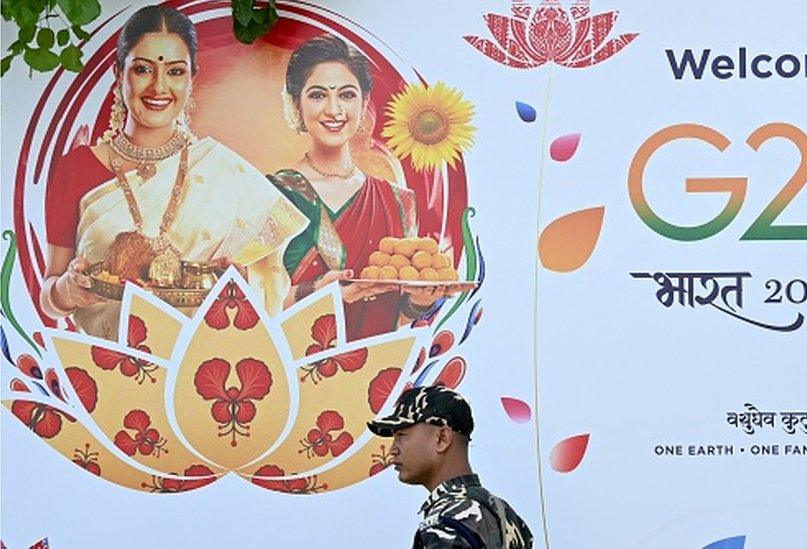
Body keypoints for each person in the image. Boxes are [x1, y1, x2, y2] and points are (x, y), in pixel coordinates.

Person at [40, 5, 306, 339]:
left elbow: (266, 276)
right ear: (118, 72)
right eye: (142, 70)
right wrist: (66, 291)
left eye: (176, 72)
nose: (159, 87)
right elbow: (48, 296)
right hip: (110, 371)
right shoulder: (76, 167)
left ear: (193, 76)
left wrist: (240, 285)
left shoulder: (222, 171)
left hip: (205, 363)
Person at [271, 35, 456, 341]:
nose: (334, 109)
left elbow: (391, 316)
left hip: (372, 372)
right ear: (296, 103)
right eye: (318, 95)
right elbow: (255, 305)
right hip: (293, 372)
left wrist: (418, 303)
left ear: (365, 103)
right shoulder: (274, 194)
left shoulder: (397, 201)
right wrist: (318, 292)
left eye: (346, 95)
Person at [368, 386, 533, 548]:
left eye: (401, 435)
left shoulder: (446, 522)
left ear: (442, 438)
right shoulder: (504, 513)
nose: (392, 450)